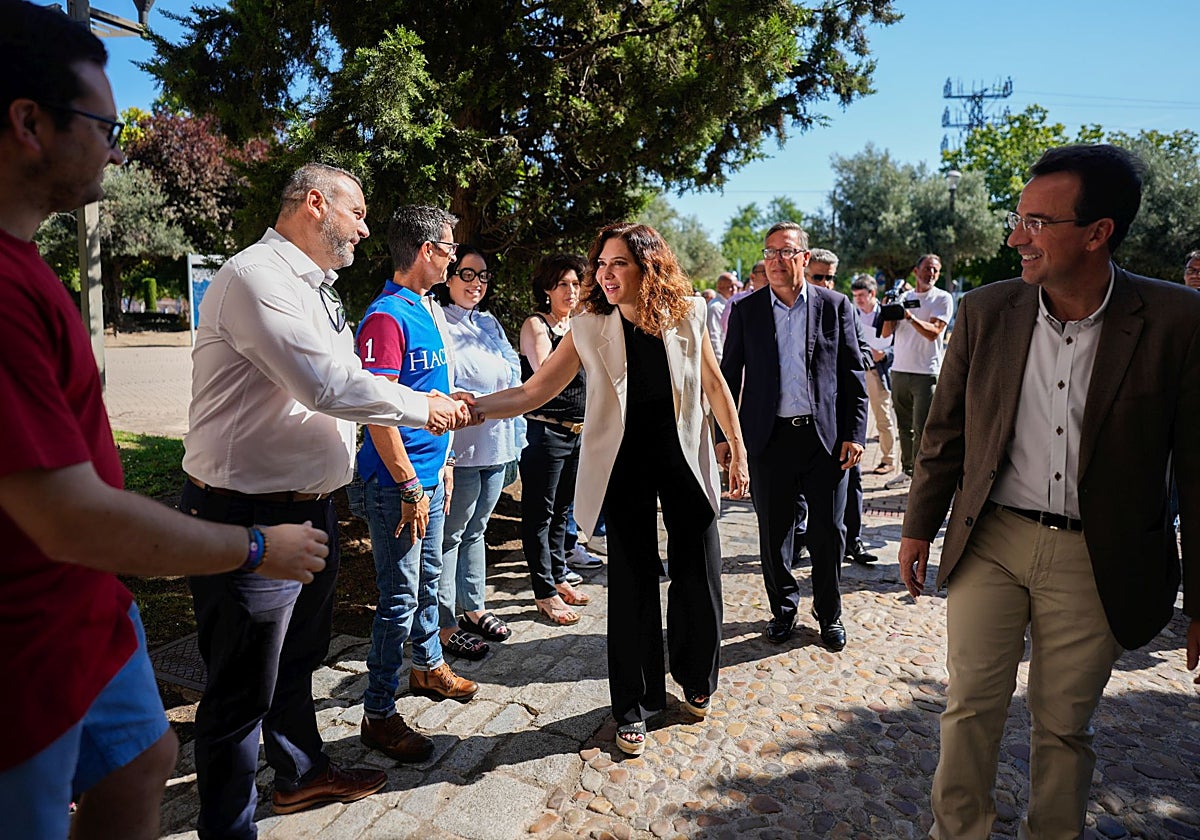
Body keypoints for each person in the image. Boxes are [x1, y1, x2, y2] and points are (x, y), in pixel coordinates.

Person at [0, 6, 329, 836]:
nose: (117, 144)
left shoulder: (26, 267)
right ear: (29, 123)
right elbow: (66, 516)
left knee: (145, 758)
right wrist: (258, 545)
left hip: (87, 617)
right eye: (103, 122)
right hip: (24, 649)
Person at [898, 144, 1200, 839]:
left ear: (1098, 234)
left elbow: (1197, 468)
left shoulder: (1177, 322)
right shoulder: (985, 311)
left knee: (1065, 727)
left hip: (1098, 557)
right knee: (970, 705)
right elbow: (947, 430)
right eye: (1017, 218)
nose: (1015, 237)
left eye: (1037, 222)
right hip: (993, 542)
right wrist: (918, 525)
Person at [182, 171, 470, 838]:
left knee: (295, 661)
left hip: (308, 509)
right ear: (316, 203)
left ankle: (300, 774)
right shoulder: (257, 278)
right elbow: (326, 384)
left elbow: (341, 387)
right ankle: (227, 827)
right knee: (237, 692)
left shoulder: (315, 289)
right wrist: (423, 408)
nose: (366, 229)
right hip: (245, 515)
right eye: (358, 212)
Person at [475, 223, 749, 756]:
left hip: (685, 457)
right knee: (632, 583)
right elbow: (536, 390)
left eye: (617, 263)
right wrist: (475, 406)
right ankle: (634, 706)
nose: (604, 274)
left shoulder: (689, 313)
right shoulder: (587, 324)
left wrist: (735, 445)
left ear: (648, 266)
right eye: (600, 264)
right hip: (622, 464)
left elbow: (713, 382)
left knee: (699, 573)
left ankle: (696, 678)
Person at [355, 205, 484, 769]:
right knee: (399, 599)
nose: (455, 257)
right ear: (426, 250)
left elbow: (434, 397)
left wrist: (445, 466)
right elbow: (377, 411)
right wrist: (409, 481)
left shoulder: (424, 310)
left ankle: (428, 666)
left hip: (428, 479)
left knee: (429, 578)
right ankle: (378, 713)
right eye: (449, 247)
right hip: (394, 486)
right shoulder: (387, 316)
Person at [718, 223, 868, 652]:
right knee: (774, 533)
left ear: (804, 258)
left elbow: (853, 374)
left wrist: (855, 433)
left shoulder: (835, 306)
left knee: (829, 532)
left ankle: (829, 611)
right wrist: (725, 437)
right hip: (769, 441)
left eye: (785, 253)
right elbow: (726, 379)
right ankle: (783, 609)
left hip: (826, 441)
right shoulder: (747, 312)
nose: (776, 261)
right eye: (769, 254)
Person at [430, 246, 526, 648]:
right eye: (467, 275)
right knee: (451, 536)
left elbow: (513, 370)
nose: (476, 284)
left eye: (483, 276)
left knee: (477, 530)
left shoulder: (489, 323)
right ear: (449, 278)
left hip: (496, 444)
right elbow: (438, 380)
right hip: (463, 449)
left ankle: (474, 606)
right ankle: (445, 620)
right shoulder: (439, 320)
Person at [517, 253, 596, 625]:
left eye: (576, 285)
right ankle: (544, 591)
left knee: (563, 511)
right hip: (546, 432)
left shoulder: (579, 326)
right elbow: (546, 376)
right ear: (547, 288)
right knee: (539, 514)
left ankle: (559, 577)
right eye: (563, 284)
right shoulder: (537, 325)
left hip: (577, 433)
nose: (571, 291)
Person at [806, 253, 877, 566]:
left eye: (830, 277)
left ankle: (853, 540)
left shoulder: (841, 305)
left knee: (853, 480)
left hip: (841, 414)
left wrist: (853, 363)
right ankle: (799, 541)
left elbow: (861, 351)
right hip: (804, 418)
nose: (826, 283)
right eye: (819, 277)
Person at [880, 253, 953, 489]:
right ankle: (908, 471)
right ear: (915, 270)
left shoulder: (942, 298)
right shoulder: (903, 297)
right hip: (899, 370)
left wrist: (909, 316)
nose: (931, 273)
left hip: (926, 372)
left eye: (936, 270)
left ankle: (924, 478)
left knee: (923, 427)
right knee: (904, 427)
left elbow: (934, 332)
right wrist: (887, 310)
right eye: (927, 268)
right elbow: (885, 334)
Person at [850, 273, 897, 474]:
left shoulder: (887, 313)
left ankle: (889, 459)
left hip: (877, 372)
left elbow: (899, 344)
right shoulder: (851, 313)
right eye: (855, 295)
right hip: (857, 372)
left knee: (883, 418)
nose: (858, 299)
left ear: (873, 293)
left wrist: (884, 354)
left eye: (862, 295)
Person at [721, 260, 764, 334]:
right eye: (764, 273)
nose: (771, 276)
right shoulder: (737, 301)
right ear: (752, 277)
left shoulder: (782, 299)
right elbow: (728, 329)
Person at [706, 270, 739, 361]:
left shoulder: (730, 304)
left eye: (736, 286)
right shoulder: (715, 307)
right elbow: (714, 335)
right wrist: (721, 360)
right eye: (730, 286)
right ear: (719, 287)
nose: (734, 289)